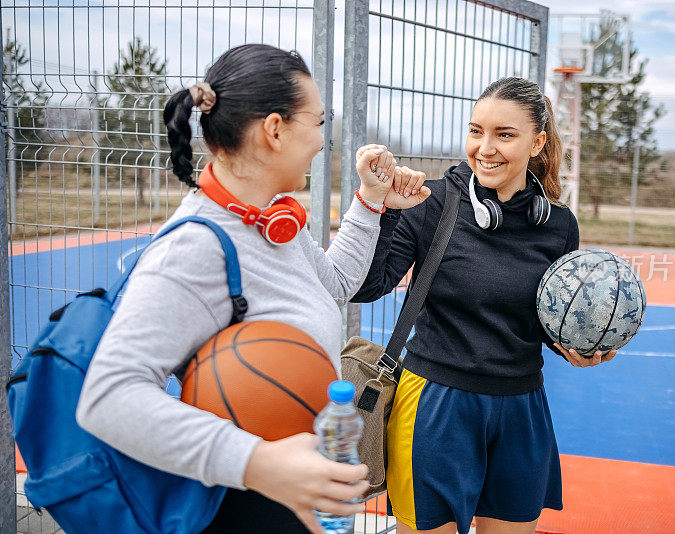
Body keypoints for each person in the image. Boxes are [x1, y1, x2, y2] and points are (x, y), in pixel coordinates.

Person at [76, 44, 429, 533]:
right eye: (319, 123)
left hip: (294, 492)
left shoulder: (270, 219)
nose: (322, 141)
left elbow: (336, 285)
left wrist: (371, 202)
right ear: (275, 129)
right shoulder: (198, 246)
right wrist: (258, 462)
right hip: (241, 506)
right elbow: (106, 397)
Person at [351, 77, 617, 534]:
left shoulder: (558, 226)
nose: (485, 148)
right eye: (476, 131)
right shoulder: (429, 203)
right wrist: (386, 208)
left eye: (504, 134)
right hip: (436, 404)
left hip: (522, 407)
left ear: (537, 143)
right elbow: (366, 287)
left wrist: (575, 346)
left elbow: (544, 319)